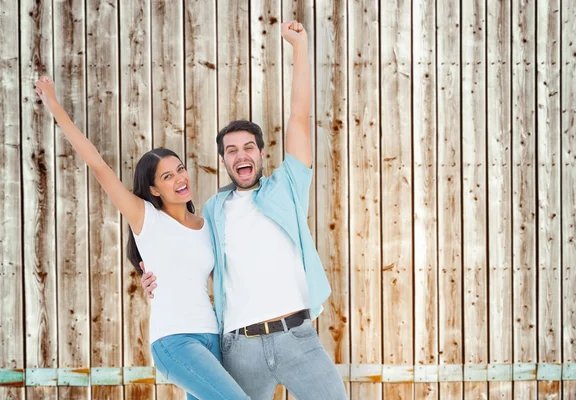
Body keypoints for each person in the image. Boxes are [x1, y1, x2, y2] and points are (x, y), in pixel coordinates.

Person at [141, 21, 348, 400]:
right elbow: (185, 255)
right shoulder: (213, 209)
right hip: (240, 346)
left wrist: (300, 48)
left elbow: (299, 119)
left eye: (248, 147)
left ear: (262, 153)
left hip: (297, 337)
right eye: (232, 150)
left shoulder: (286, 187)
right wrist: (154, 281)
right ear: (223, 161)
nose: (241, 155)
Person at [35, 76, 249, 400]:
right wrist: (53, 104)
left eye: (180, 169)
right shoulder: (146, 217)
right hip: (174, 340)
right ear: (153, 189)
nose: (180, 178)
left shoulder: (208, 224)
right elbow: (97, 165)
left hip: (213, 338)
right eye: (167, 176)